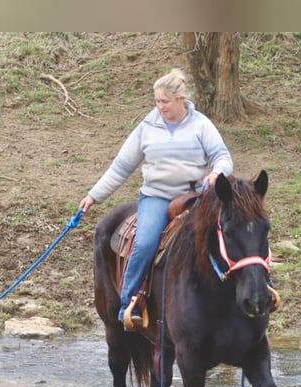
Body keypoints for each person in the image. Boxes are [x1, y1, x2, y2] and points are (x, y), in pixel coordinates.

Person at [78, 68, 233, 328]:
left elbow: (223, 157)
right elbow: (121, 168)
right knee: (145, 242)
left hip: (195, 197)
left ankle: (247, 293)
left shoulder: (201, 125)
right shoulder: (147, 127)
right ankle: (131, 303)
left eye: (165, 101)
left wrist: (217, 173)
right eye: (157, 101)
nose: (160, 107)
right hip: (157, 197)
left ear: (181, 99)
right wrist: (94, 196)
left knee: (229, 235)